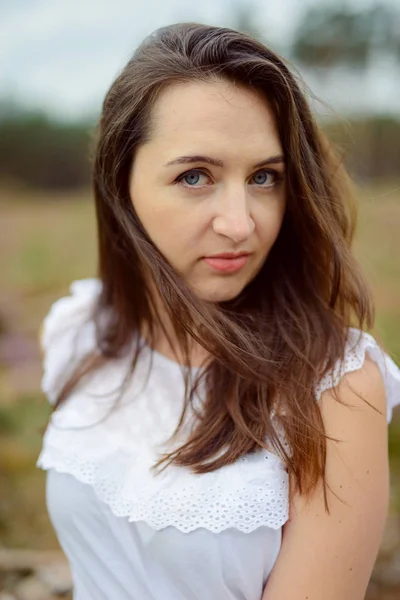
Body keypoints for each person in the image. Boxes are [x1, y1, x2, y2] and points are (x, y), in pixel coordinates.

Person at [37, 22, 400, 600]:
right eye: (195, 176)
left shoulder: (335, 387)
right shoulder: (83, 332)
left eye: (264, 177)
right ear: (120, 182)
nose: (240, 223)